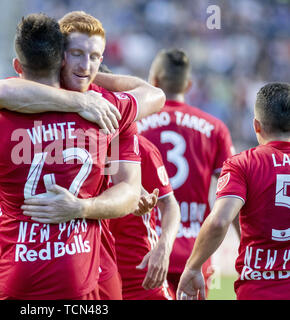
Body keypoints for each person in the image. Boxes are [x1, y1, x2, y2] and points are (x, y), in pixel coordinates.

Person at [0, 13, 146, 300]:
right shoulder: (103, 113)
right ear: (62, 61)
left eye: (94, 57)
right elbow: (154, 94)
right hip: (80, 276)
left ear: (17, 65)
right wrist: (81, 208)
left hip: (14, 277)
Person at [177, 82, 290, 300]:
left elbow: (220, 221)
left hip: (258, 290)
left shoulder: (243, 164)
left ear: (256, 125)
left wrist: (193, 266)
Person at [140, 48, 235, 297]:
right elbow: (235, 193)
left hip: (148, 250)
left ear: (154, 82)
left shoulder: (135, 125)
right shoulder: (215, 129)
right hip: (196, 256)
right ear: (189, 84)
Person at [110, 134, 180, 300]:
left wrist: (164, 247)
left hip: (140, 278)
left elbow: (170, 204)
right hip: (93, 276)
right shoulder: (74, 147)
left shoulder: (140, 148)